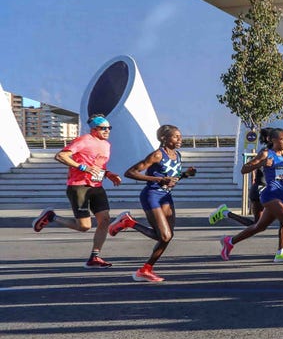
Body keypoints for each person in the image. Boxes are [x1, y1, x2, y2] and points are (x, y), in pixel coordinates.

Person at [33, 115, 124, 268]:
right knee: (84, 226)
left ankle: (95, 257)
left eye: (109, 128)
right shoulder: (84, 140)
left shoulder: (106, 145)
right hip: (79, 186)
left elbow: (97, 165)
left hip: (96, 186)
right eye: (103, 128)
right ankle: (52, 217)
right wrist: (82, 167)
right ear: (94, 129)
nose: (107, 131)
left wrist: (108, 174)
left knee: (105, 220)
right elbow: (61, 155)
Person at [110, 124, 196, 282]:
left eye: (180, 136)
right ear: (164, 138)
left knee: (166, 237)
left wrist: (185, 174)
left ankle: (145, 269)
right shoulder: (157, 155)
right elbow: (130, 173)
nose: (180, 139)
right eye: (176, 136)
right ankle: (128, 223)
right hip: (152, 195)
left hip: (166, 197)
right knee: (164, 236)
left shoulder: (177, 155)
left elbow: (171, 178)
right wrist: (159, 179)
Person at [213, 128, 283, 268]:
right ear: (272, 140)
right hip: (270, 196)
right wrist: (261, 164)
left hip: (281, 197)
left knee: (259, 226)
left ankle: (230, 241)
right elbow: (244, 169)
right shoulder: (266, 154)